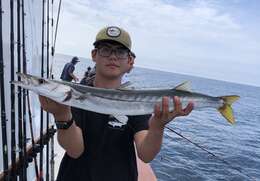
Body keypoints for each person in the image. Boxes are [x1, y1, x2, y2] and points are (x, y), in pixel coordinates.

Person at [39, 26, 193, 181]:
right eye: (106, 50)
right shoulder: (77, 94)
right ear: (94, 55)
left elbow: (146, 155)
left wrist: (157, 127)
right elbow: (75, 150)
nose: (113, 57)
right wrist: (62, 115)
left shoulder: (137, 101)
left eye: (120, 52)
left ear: (130, 60)